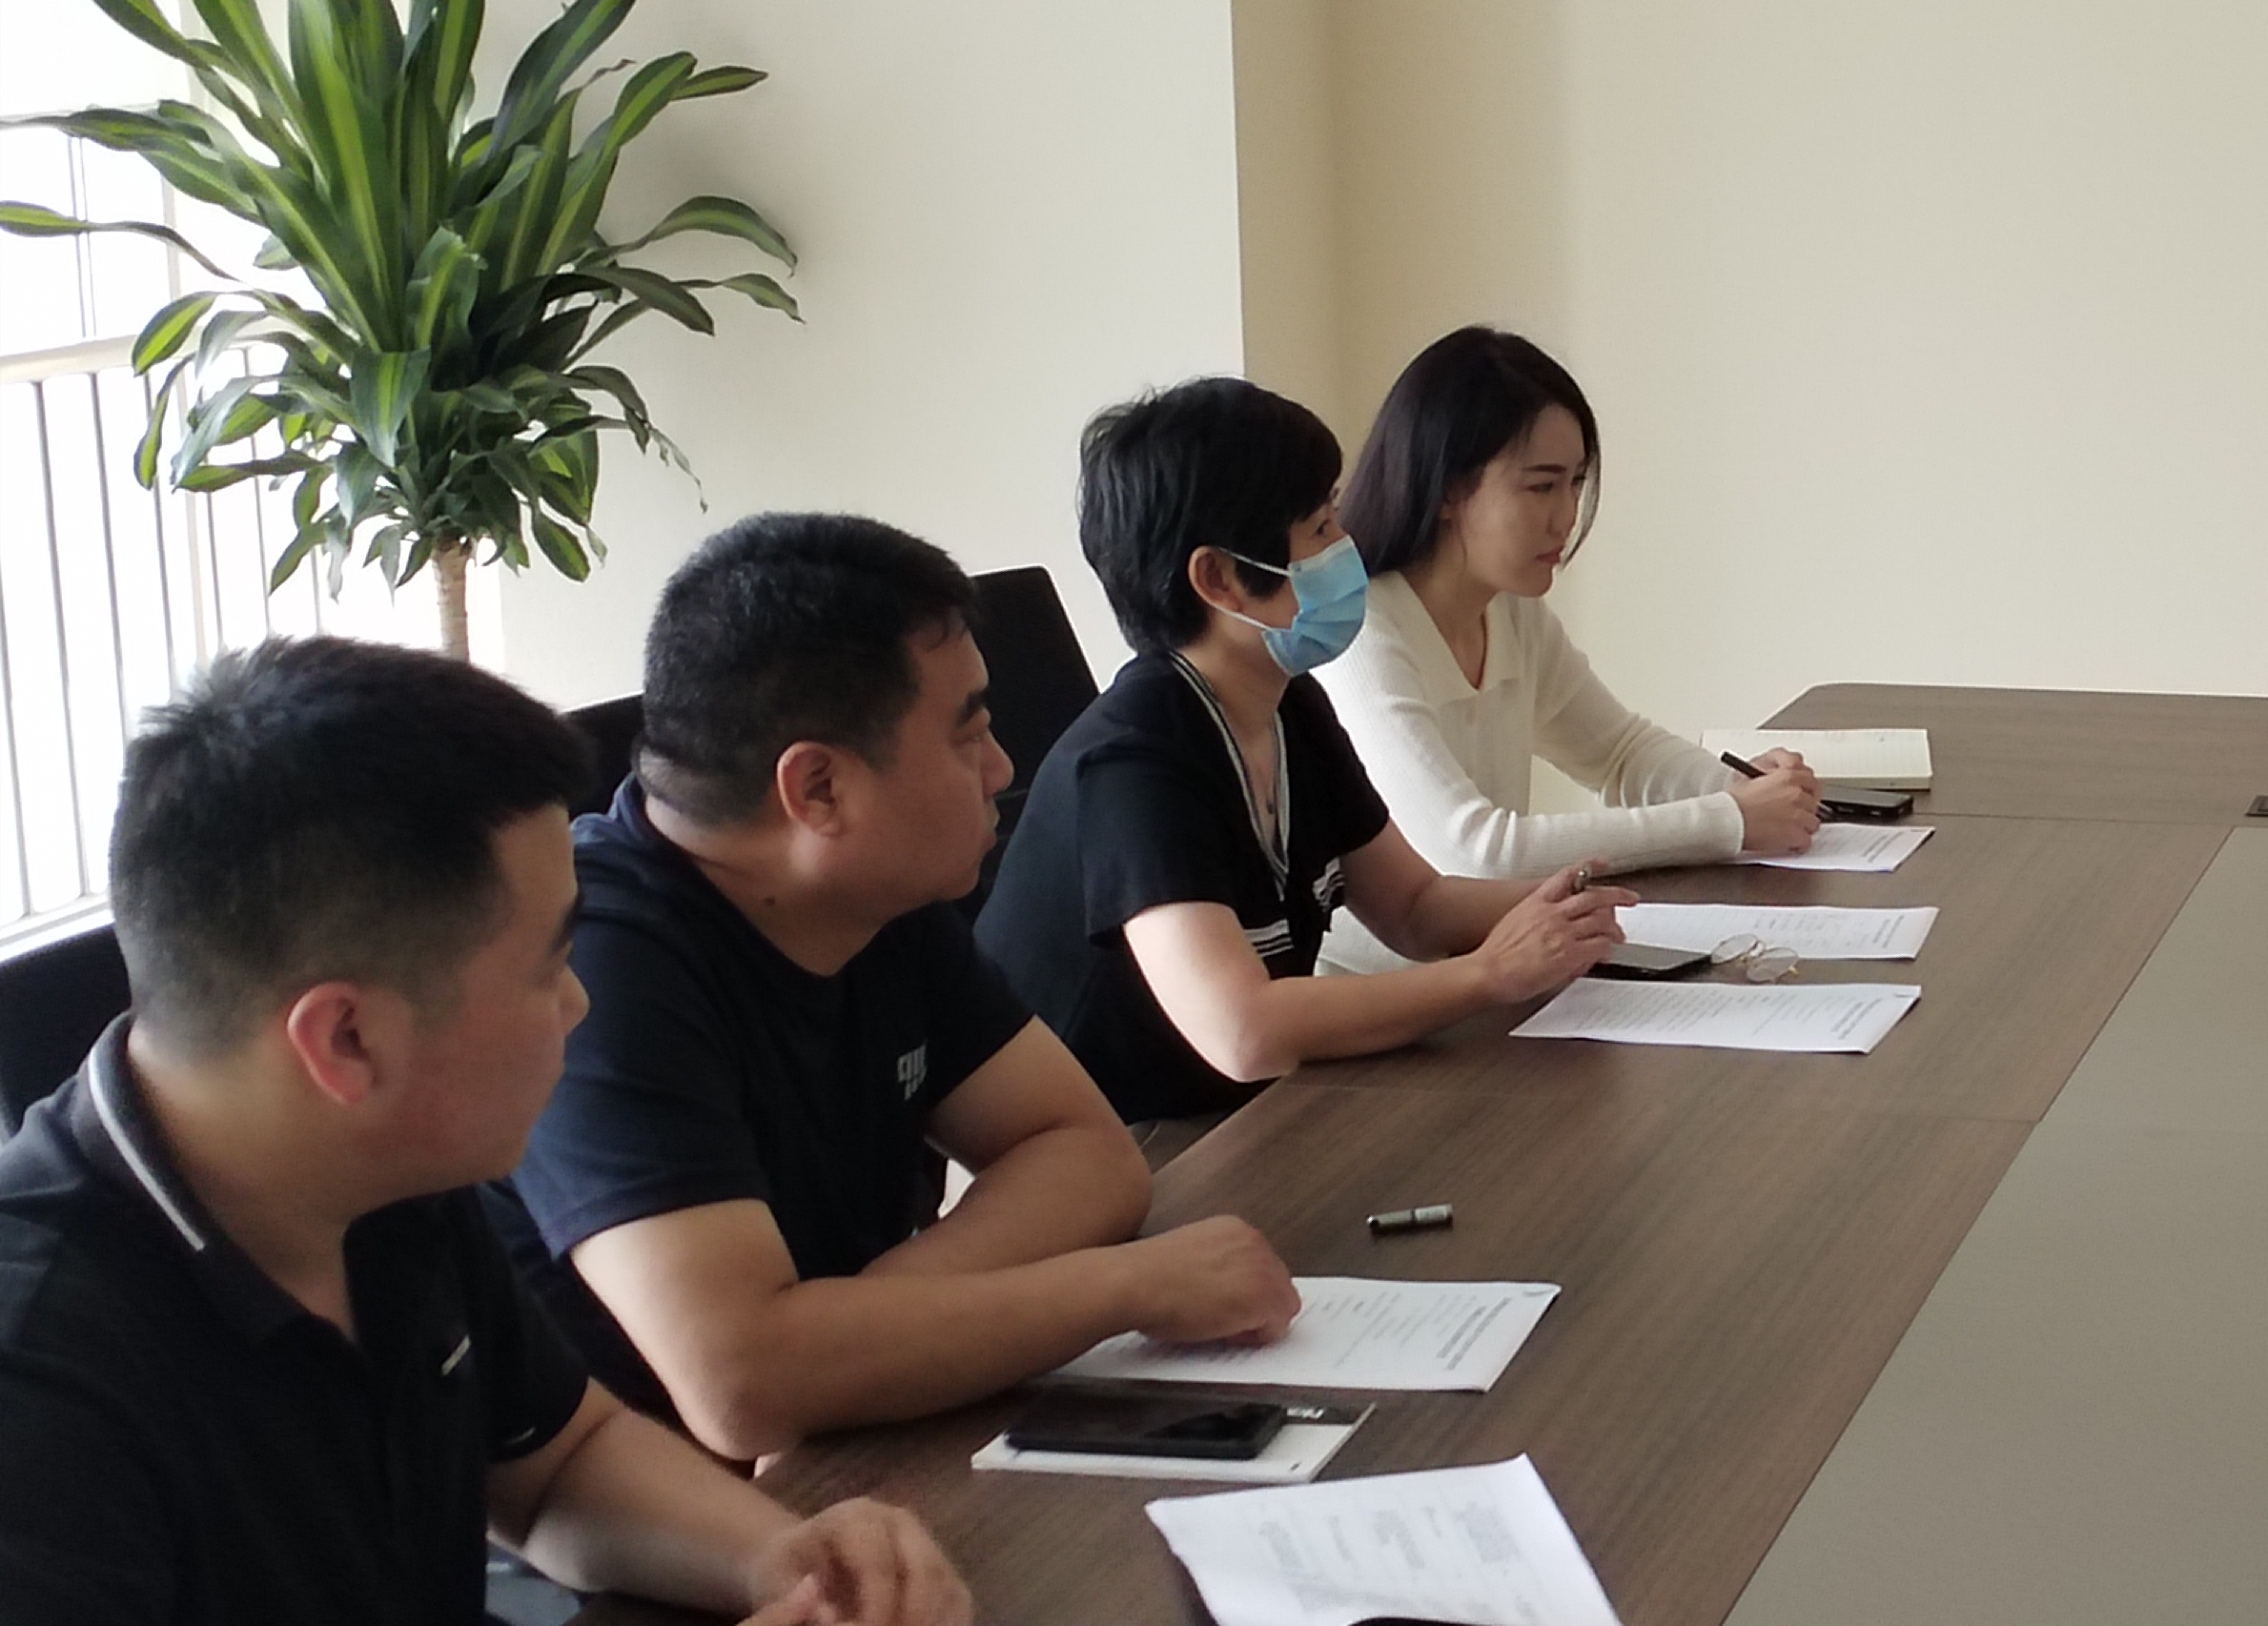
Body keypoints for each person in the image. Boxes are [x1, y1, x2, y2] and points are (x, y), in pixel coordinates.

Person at [0, 640, 970, 1626]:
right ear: (345, 1043)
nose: (580, 1002)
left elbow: (558, 1462)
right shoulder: (38, 1350)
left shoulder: (382, 1179)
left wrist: (778, 1556)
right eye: (548, 963)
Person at [495, 515, 1304, 1461]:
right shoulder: (590, 972)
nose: (1002, 769)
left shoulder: (872, 889)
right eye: (970, 735)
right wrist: (1127, 1288)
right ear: (818, 791)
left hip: (852, 1450)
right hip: (684, 1519)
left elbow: (1085, 1154)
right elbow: (743, 1387)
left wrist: (848, 1329)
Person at [974, 377, 1640, 1124]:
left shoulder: (1288, 704)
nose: (1347, 549)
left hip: (1239, 1114)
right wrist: (1487, 975)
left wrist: (1574, 909)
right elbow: (1243, 1032)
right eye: (1320, 528)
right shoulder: (1135, 764)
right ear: (1219, 578)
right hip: (1122, 1140)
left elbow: (1414, 907)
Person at [1319, 327, 1824, 895]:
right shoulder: (1362, 632)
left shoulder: (1510, 613)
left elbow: (1621, 755)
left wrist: (1741, 787)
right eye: (1542, 487)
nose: (1567, 517)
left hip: (1503, 945)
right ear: (1448, 491)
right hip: (1418, 956)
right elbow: (1475, 854)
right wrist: (1729, 819)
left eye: (1576, 483)